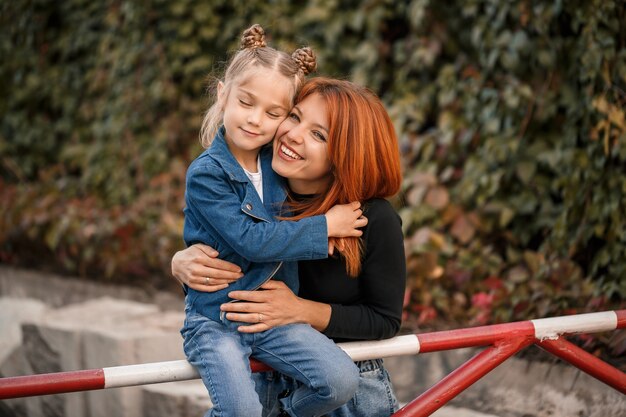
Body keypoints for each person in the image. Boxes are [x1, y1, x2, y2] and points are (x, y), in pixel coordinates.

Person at [173, 76, 406, 417]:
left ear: (346, 154)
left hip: (344, 393)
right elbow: (236, 264)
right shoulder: (259, 192)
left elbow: (384, 319)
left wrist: (299, 309)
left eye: (318, 135)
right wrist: (181, 262)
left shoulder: (370, 218)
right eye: (294, 117)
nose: (293, 134)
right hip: (264, 383)